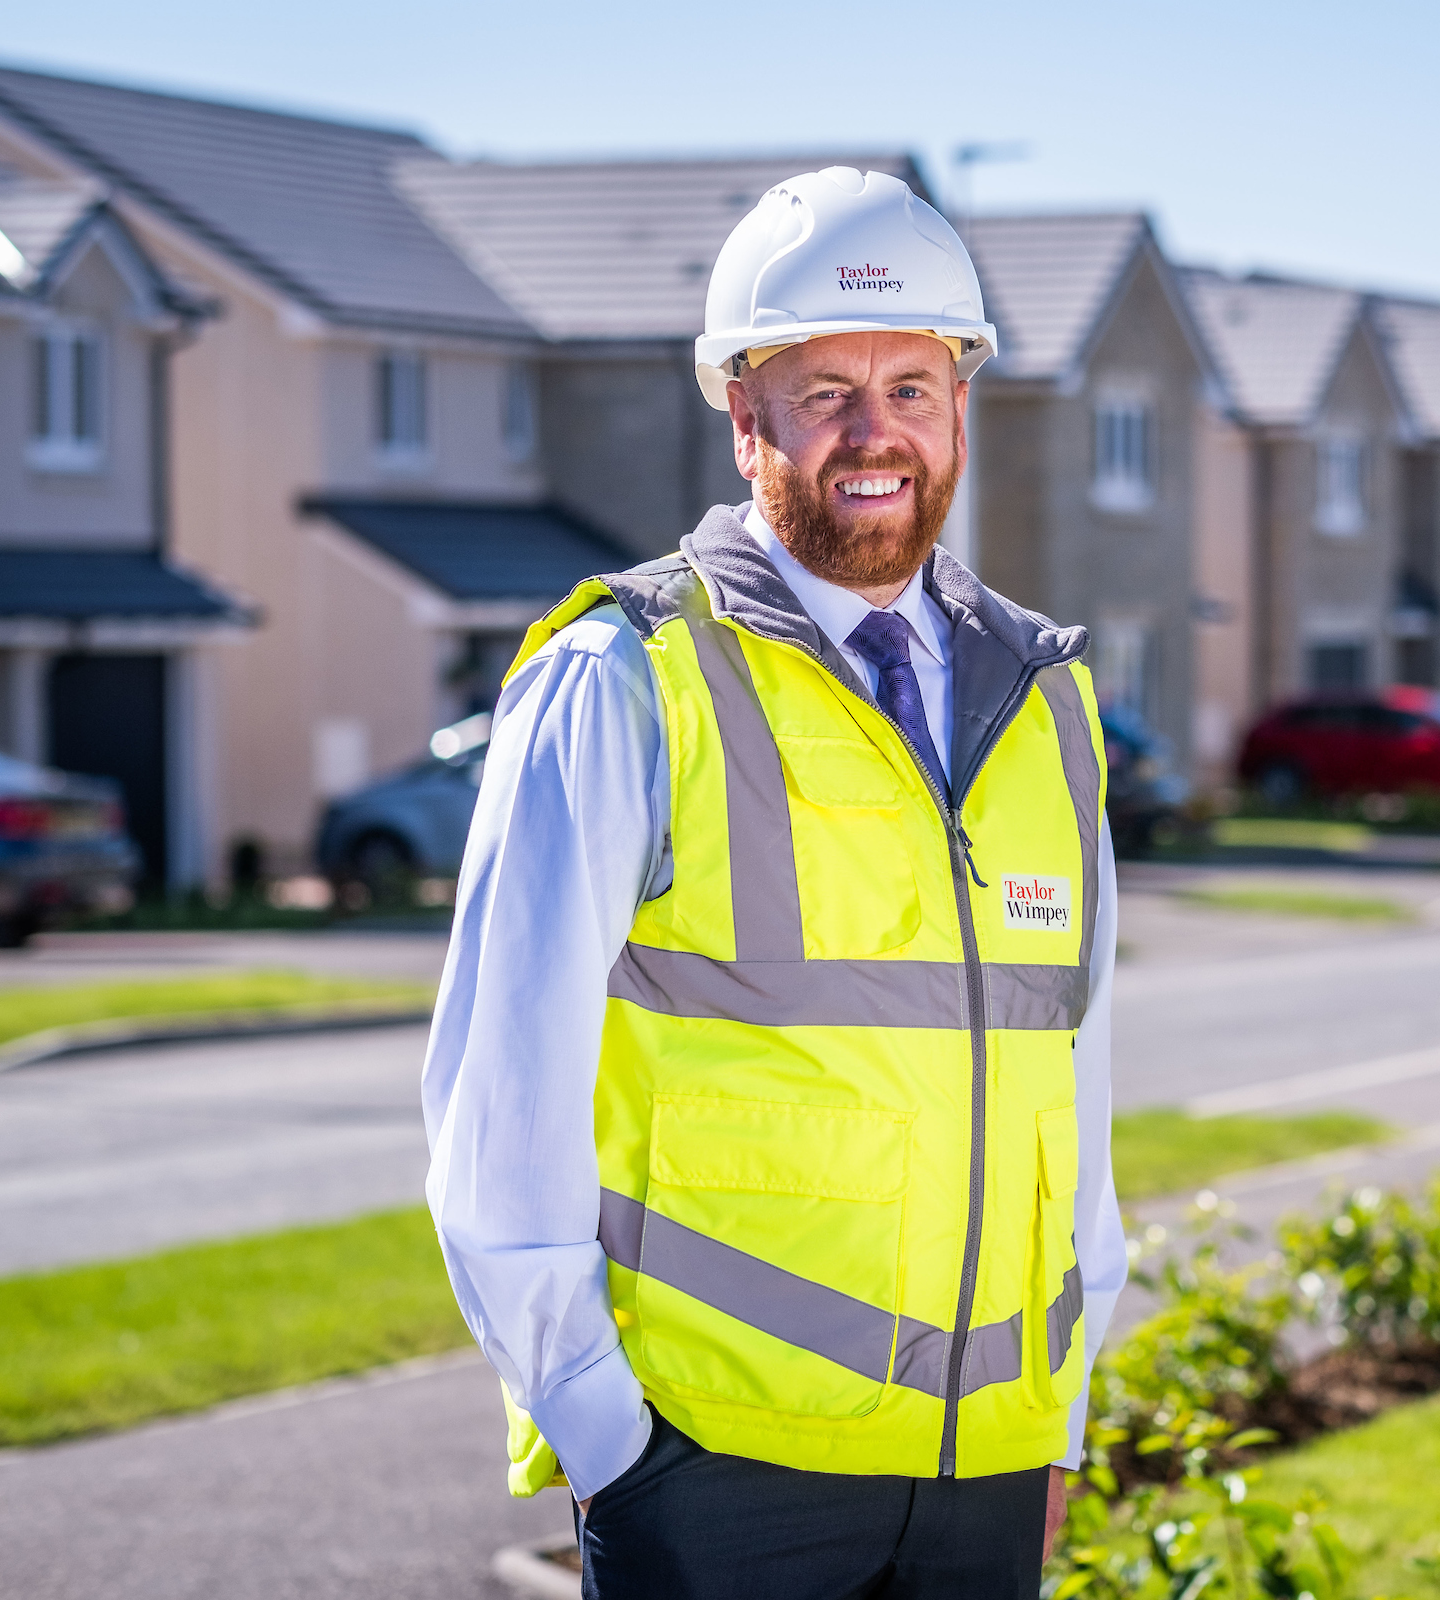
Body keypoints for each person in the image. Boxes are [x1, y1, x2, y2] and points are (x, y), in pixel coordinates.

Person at [421, 167, 1126, 1600]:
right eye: (826, 394)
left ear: (963, 406)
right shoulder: (626, 676)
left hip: (987, 1461)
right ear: (743, 416)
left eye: (913, 389)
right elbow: (503, 1088)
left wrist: (1060, 1405)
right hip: (717, 1467)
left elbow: (1078, 1066)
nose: (879, 437)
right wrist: (603, 1427)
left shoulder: (1046, 697)